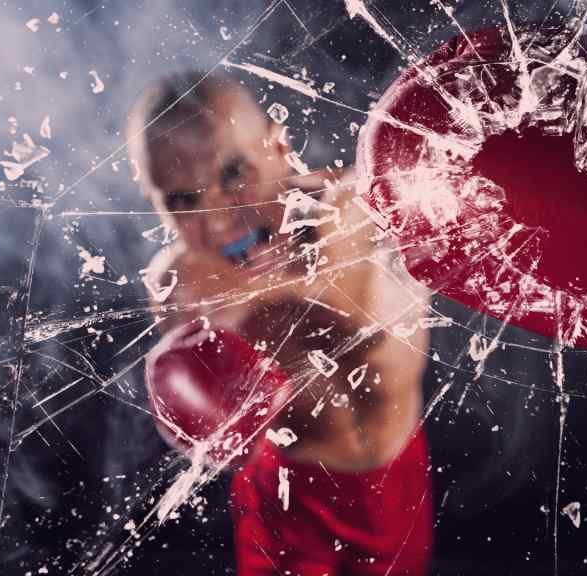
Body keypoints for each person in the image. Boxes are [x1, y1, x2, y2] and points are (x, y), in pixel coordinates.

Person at [127, 70, 434, 575]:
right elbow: (222, 438)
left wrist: (298, 277)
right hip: (289, 502)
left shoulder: (363, 209)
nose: (219, 218)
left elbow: (378, 345)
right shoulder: (184, 288)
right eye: (183, 201)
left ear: (279, 146)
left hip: (397, 481)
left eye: (233, 174)